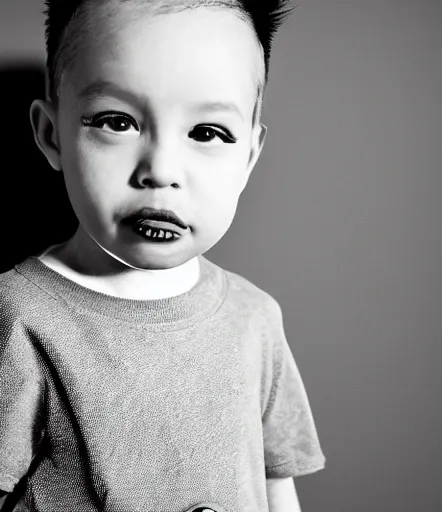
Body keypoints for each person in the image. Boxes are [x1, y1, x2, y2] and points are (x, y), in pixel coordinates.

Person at [0, 0, 326, 510]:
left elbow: (275, 481)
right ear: (51, 134)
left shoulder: (254, 318)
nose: (161, 169)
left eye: (208, 133)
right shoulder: (21, 313)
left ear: (248, 158)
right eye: (116, 121)